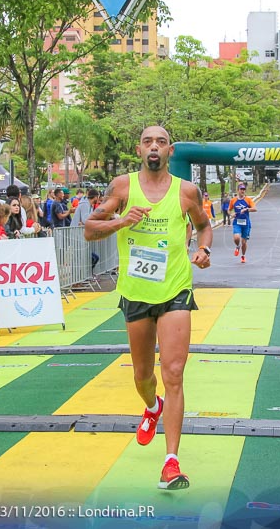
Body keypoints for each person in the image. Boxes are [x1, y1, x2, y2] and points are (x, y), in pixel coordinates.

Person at [84, 125, 212, 491]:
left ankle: (171, 462)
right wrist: (123, 220)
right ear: (138, 150)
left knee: (173, 373)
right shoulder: (122, 188)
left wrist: (204, 251)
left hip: (175, 291)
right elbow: (90, 229)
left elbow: (204, 227)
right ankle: (151, 407)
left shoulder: (187, 191)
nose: (153, 147)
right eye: (147, 142)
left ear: (170, 150)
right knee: (144, 377)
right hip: (136, 293)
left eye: (160, 142)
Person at [230, 184, 258, 263]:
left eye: (244, 189)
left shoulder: (248, 200)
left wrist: (247, 209)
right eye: (241, 189)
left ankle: (243, 256)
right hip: (237, 222)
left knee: (244, 242)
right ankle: (237, 246)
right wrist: (231, 214)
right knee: (236, 238)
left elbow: (255, 209)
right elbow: (229, 210)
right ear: (238, 190)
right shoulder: (233, 200)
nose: (243, 191)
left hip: (246, 223)